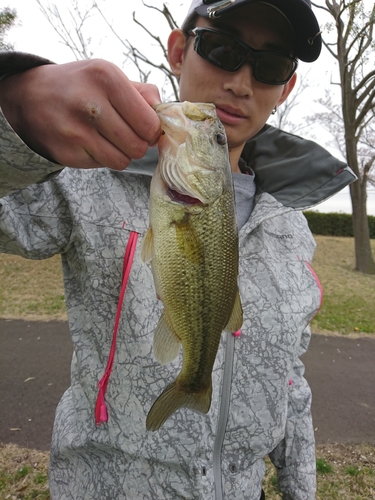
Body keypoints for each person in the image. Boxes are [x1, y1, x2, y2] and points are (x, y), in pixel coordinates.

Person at [0, 0, 356, 498]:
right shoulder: (84, 176)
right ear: (178, 50)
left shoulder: (291, 228)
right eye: (223, 49)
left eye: (271, 67)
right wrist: (14, 109)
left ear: (287, 87)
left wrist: (301, 490)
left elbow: (290, 381)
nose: (240, 83)